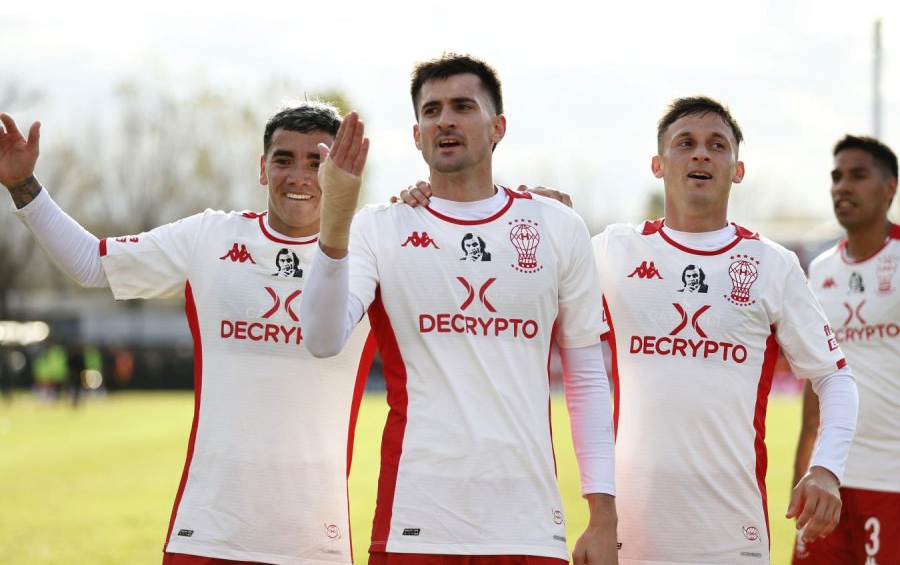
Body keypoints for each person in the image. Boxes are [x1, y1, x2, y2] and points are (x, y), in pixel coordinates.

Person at [394, 96, 859, 564]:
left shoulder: (771, 264)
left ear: (737, 170)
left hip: (732, 536)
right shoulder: (615, 250)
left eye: (717, 145)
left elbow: (836, 377)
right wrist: (427, 202)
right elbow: (503, 252)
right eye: (685, 143)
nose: (701, 154)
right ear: (658, 164)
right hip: (626, 534)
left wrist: (826, 469)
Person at [0, 104, 375, 565]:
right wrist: (23, 185)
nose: (298, 175)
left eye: (318, 162)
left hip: (316, 541)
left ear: (343, 171)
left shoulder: (373, 253)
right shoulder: (210, 237)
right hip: (208, 533)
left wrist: (428, 198)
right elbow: (91, 264)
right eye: (283, 159)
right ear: (262, 169)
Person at [299, 54, 618, 565]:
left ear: (498, 127)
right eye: (431, 111)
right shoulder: (380, 227)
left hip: (529, 526)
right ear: (416, 134)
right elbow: (320, 337)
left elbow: (586, 379)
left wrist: (603, 517)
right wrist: (335, 218)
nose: (444, 119)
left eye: (463, 106)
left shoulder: (556, 226)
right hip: (415, 522)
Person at [792, 135, 900, 564]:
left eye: (858, 176)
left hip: (891, 481)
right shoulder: (819, 271)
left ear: (889, 187)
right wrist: (803, 472)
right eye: (836, 177)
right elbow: (815, 385)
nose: (842, 187)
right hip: (828, 478)